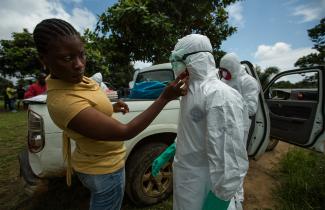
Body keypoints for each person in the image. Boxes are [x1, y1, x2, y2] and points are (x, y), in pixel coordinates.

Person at [32, 18, 188, 210]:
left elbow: (88, 101)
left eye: (82, 55)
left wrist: (110, 106)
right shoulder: (63, 101)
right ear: (44, 60)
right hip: (104, 170)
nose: (79, 65)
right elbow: (126, 132)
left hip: (94, 161)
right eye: (67, 58)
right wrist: (164, 98)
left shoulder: (73, 80)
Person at [154, 34, 249, 210]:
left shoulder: (220, 96)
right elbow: (192, 131)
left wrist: (218, 202)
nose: (174, 65)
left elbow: (230, 160)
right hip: (187, 182)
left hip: (207, 187)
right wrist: (172, 149)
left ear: (194, 59)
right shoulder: (188, 92)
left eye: (176, 59)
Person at [218, 53, 260, 203]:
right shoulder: (223, 79)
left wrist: (230, 106)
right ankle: (223, 188)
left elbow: (251, 109)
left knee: (237, 161)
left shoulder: (248, 82)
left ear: (234, 67)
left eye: (227, 70)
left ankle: (237, 197)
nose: (224, 73)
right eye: (222, 70)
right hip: (222, 125)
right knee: (223, 157)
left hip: (240, 126)